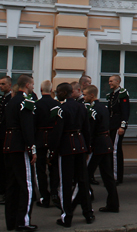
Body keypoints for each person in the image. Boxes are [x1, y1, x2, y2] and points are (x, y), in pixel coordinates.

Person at [53, 82, 93, 227]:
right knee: (83, 181)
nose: (56, 93)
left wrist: (53, 151)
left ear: (64, 93)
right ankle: (88, 213)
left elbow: (58, 132)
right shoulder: (81, 107)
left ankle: (67, 216)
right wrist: (88, 147)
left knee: (65, 182)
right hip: (81, 144)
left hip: (66, 147)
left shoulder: (61, 109)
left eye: (58, 91)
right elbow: (86, 129)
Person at [2, 75, 38, 231]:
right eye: (32, 85)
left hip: (9, 144)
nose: (33, 88)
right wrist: (32, 148)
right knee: (26, 185)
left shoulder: (11, 101)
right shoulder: (25, 102)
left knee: (12, 185)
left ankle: (11, 221)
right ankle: (23, 221)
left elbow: (3, 122)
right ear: (28, 85)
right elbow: (27, 127)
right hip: (20, 145)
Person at [84, 85, 119, 214]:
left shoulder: (93, 110)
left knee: (86, 175)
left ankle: (83, 204)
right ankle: (113, 204)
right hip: (106, 143)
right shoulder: (103, 108)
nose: (84, 97)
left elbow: (91, 130)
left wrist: (88, 147)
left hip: (98, 145)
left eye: (85, 95)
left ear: (92, 96)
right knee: (108, 176)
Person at [34, 80, 60, 208]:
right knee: (54, 168)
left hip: (39, 138)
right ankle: (55, 193)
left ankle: (44, 196)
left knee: (40, 169)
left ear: (40, 89)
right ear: (51, 90)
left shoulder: (36, 104)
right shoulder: (56, 104)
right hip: (53, 138)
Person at [107, 75, 130, 184]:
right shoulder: (112, 95)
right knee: (112, 150)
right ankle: (112, 174)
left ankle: (116, 176)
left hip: (117, 125)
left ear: (117, 81)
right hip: (111, 125)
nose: (109, 83)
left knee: (115, 150)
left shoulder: (122, 94)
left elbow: (125, 111)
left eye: (111, 81)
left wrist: (123, 126)